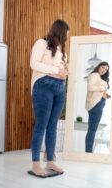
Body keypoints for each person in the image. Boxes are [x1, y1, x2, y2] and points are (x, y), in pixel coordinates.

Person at [29, 19, 69, 178]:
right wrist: (55, 69)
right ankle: (35, 163)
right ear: (59, 31)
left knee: (53, 125)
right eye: (66, 33)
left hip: (60, 87)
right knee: (41, 125)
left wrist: (65, 70)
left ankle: (50, 160)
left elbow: (61, 70)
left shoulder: (62, 51)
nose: (67, 36)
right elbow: (34, 64)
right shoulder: (41, 43)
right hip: (43, 85)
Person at [85, 62, 111, 153]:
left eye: (106, 69)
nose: (104, 70)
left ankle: (88, 151)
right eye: (103, 67)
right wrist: (102, 89)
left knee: (92, 129)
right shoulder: (94, 75)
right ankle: (88, 152)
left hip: (100, 102)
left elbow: (98, 91)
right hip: (95, 104)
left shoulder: (100, 77)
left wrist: (105, 95)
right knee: (92, 129)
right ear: (98, 66)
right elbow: (90, 88)